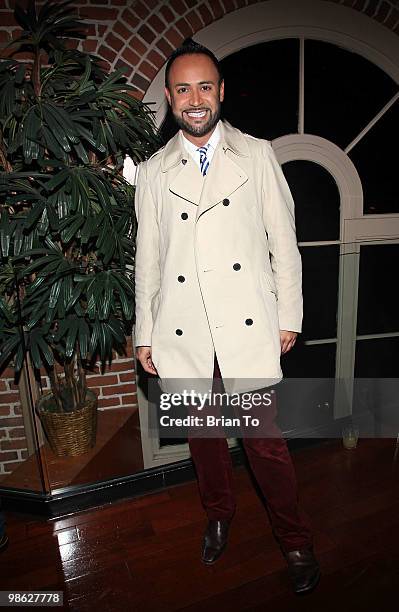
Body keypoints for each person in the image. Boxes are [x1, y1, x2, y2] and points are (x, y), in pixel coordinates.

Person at [134, 38, 320, 595]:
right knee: (205, 441)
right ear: (170, 99)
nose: (196, 99)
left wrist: (289, 316)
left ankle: (294, 539)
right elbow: (147, 259)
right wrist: (145, 332)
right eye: (184, 89)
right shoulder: (152, 171)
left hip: (245, 324)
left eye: (205, 87)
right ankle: (218, 515)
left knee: (265, 445)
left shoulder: (257, 155)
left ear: (221, 93)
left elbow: (284, 244)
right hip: (183, 328)